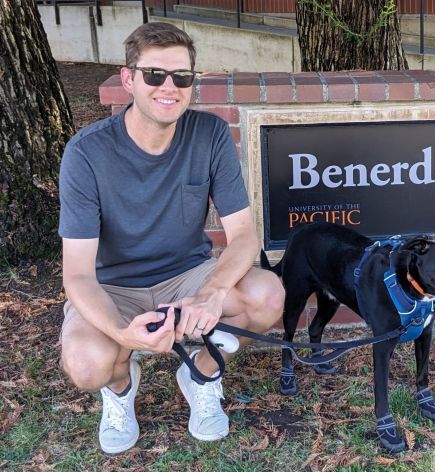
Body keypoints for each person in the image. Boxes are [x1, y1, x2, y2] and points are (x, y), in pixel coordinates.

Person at [58, 21, 284, 454]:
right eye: (154, 75)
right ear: (129, 79)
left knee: (266, 295)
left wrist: (212, 294)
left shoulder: (210, 134)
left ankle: (201, 373)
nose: (169, 87)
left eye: (182, 77)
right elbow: (79, 276)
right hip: (113, 287)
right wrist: (124, 337)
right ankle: (121, 386)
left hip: (186, 277)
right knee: (88, 367)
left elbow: (242, 236)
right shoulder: (86, 154)